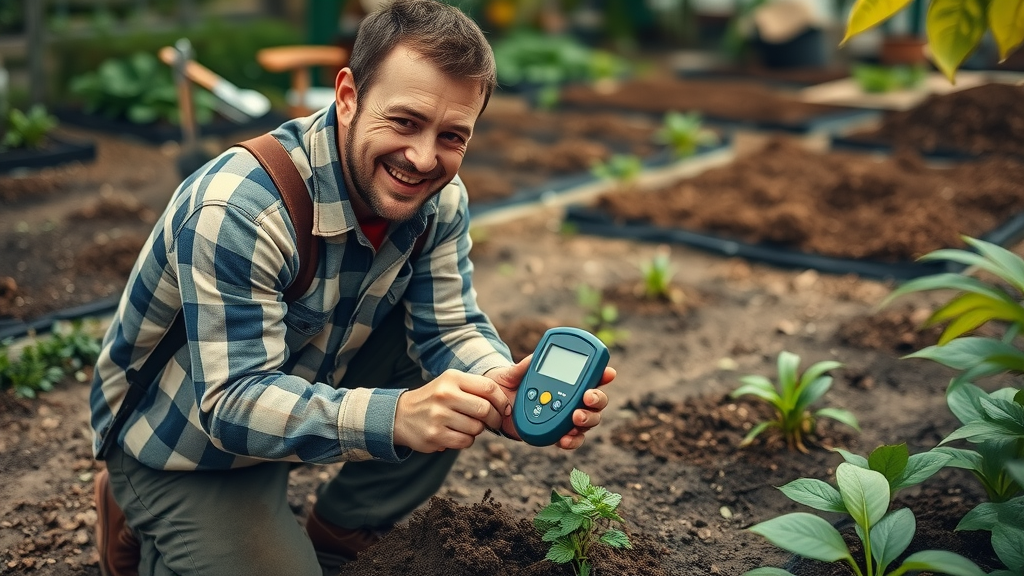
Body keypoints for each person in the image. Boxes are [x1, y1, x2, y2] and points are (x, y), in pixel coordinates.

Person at [88, 1, 616, 575]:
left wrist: (499, 388)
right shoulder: (239, 208)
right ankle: (132, 503)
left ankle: (342, 527)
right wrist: (396, 417)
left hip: (301, 388)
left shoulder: (441, 199)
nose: (422, 158)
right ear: (347, 97)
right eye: (405, 122)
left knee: (453, 379)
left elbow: (450, 324)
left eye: (452, 136)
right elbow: (231, 404)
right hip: (181, 442)